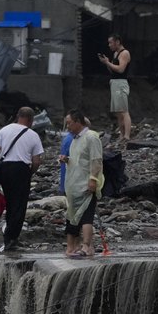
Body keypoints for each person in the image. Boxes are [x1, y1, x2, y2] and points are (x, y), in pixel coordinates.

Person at [0, 107, 43, 253]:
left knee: (9, 201)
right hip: (21, 169)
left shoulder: (5, 130)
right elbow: (36, 161)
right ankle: (11, 239)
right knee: (19, 205)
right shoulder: (33, 135)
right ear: (31, 120)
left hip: (5, 168)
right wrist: (30, 173)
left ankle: (8, 237)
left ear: (18, 116)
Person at [61, 108, 104, 258]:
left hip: (86, 183)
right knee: (72, 216)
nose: (68, 127)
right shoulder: (75, 139)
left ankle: (87, 246)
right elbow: (78, 160)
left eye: (69, 124)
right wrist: (66, 160)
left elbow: (96, 160)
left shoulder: (91, 137)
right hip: (74, 184)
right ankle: (72, 247)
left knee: (86, 215)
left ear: (78, 122)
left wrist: (93, 179)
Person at [98, 34, 132, 144]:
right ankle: (122, 134)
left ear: (117, 42)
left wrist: (108, 62)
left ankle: (127, 135)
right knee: (118, 112)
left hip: (121, 83)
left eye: (111, 42)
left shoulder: (124, 53)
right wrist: (107, 63)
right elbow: (113, 71)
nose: (109, 45)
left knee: (124, 110)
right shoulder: (115, 53)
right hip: (114, 82)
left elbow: (121, 69)